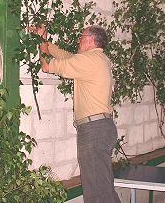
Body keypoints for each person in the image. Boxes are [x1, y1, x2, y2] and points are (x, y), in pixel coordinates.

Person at [31, 25, 121, 203]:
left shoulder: (90, 61)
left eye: (81, 37)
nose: (78, 40)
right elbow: (67, 57)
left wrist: (42, 49)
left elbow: (47, 66)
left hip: (94, 130)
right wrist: (43, 39)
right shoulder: (97, 59)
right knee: (103, 187)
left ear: (90, 40)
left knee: (97, 192)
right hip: (100, 128)